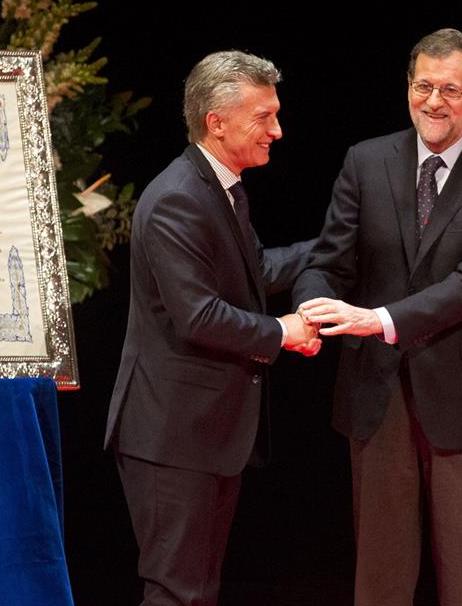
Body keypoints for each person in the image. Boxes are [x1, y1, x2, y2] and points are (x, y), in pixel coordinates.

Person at [296, 28, 462, 606]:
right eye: (423, 86)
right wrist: (310, 308)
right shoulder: (366, 159)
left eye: (450, 89)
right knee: (378, 580)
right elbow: (328, 259)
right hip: (376, 397)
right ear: (408, 87)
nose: (434, 101)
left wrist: (377, 318)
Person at [104, 50, 320, 606]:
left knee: (197, 589)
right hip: (171, 435)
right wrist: (283, 332)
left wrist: (335, 245)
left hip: (202, 433)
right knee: (177, 591)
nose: (277, 130)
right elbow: (198, 315)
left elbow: (255, 272)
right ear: (216, 122)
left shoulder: (219, 188)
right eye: (264, 117)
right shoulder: (178, 198)